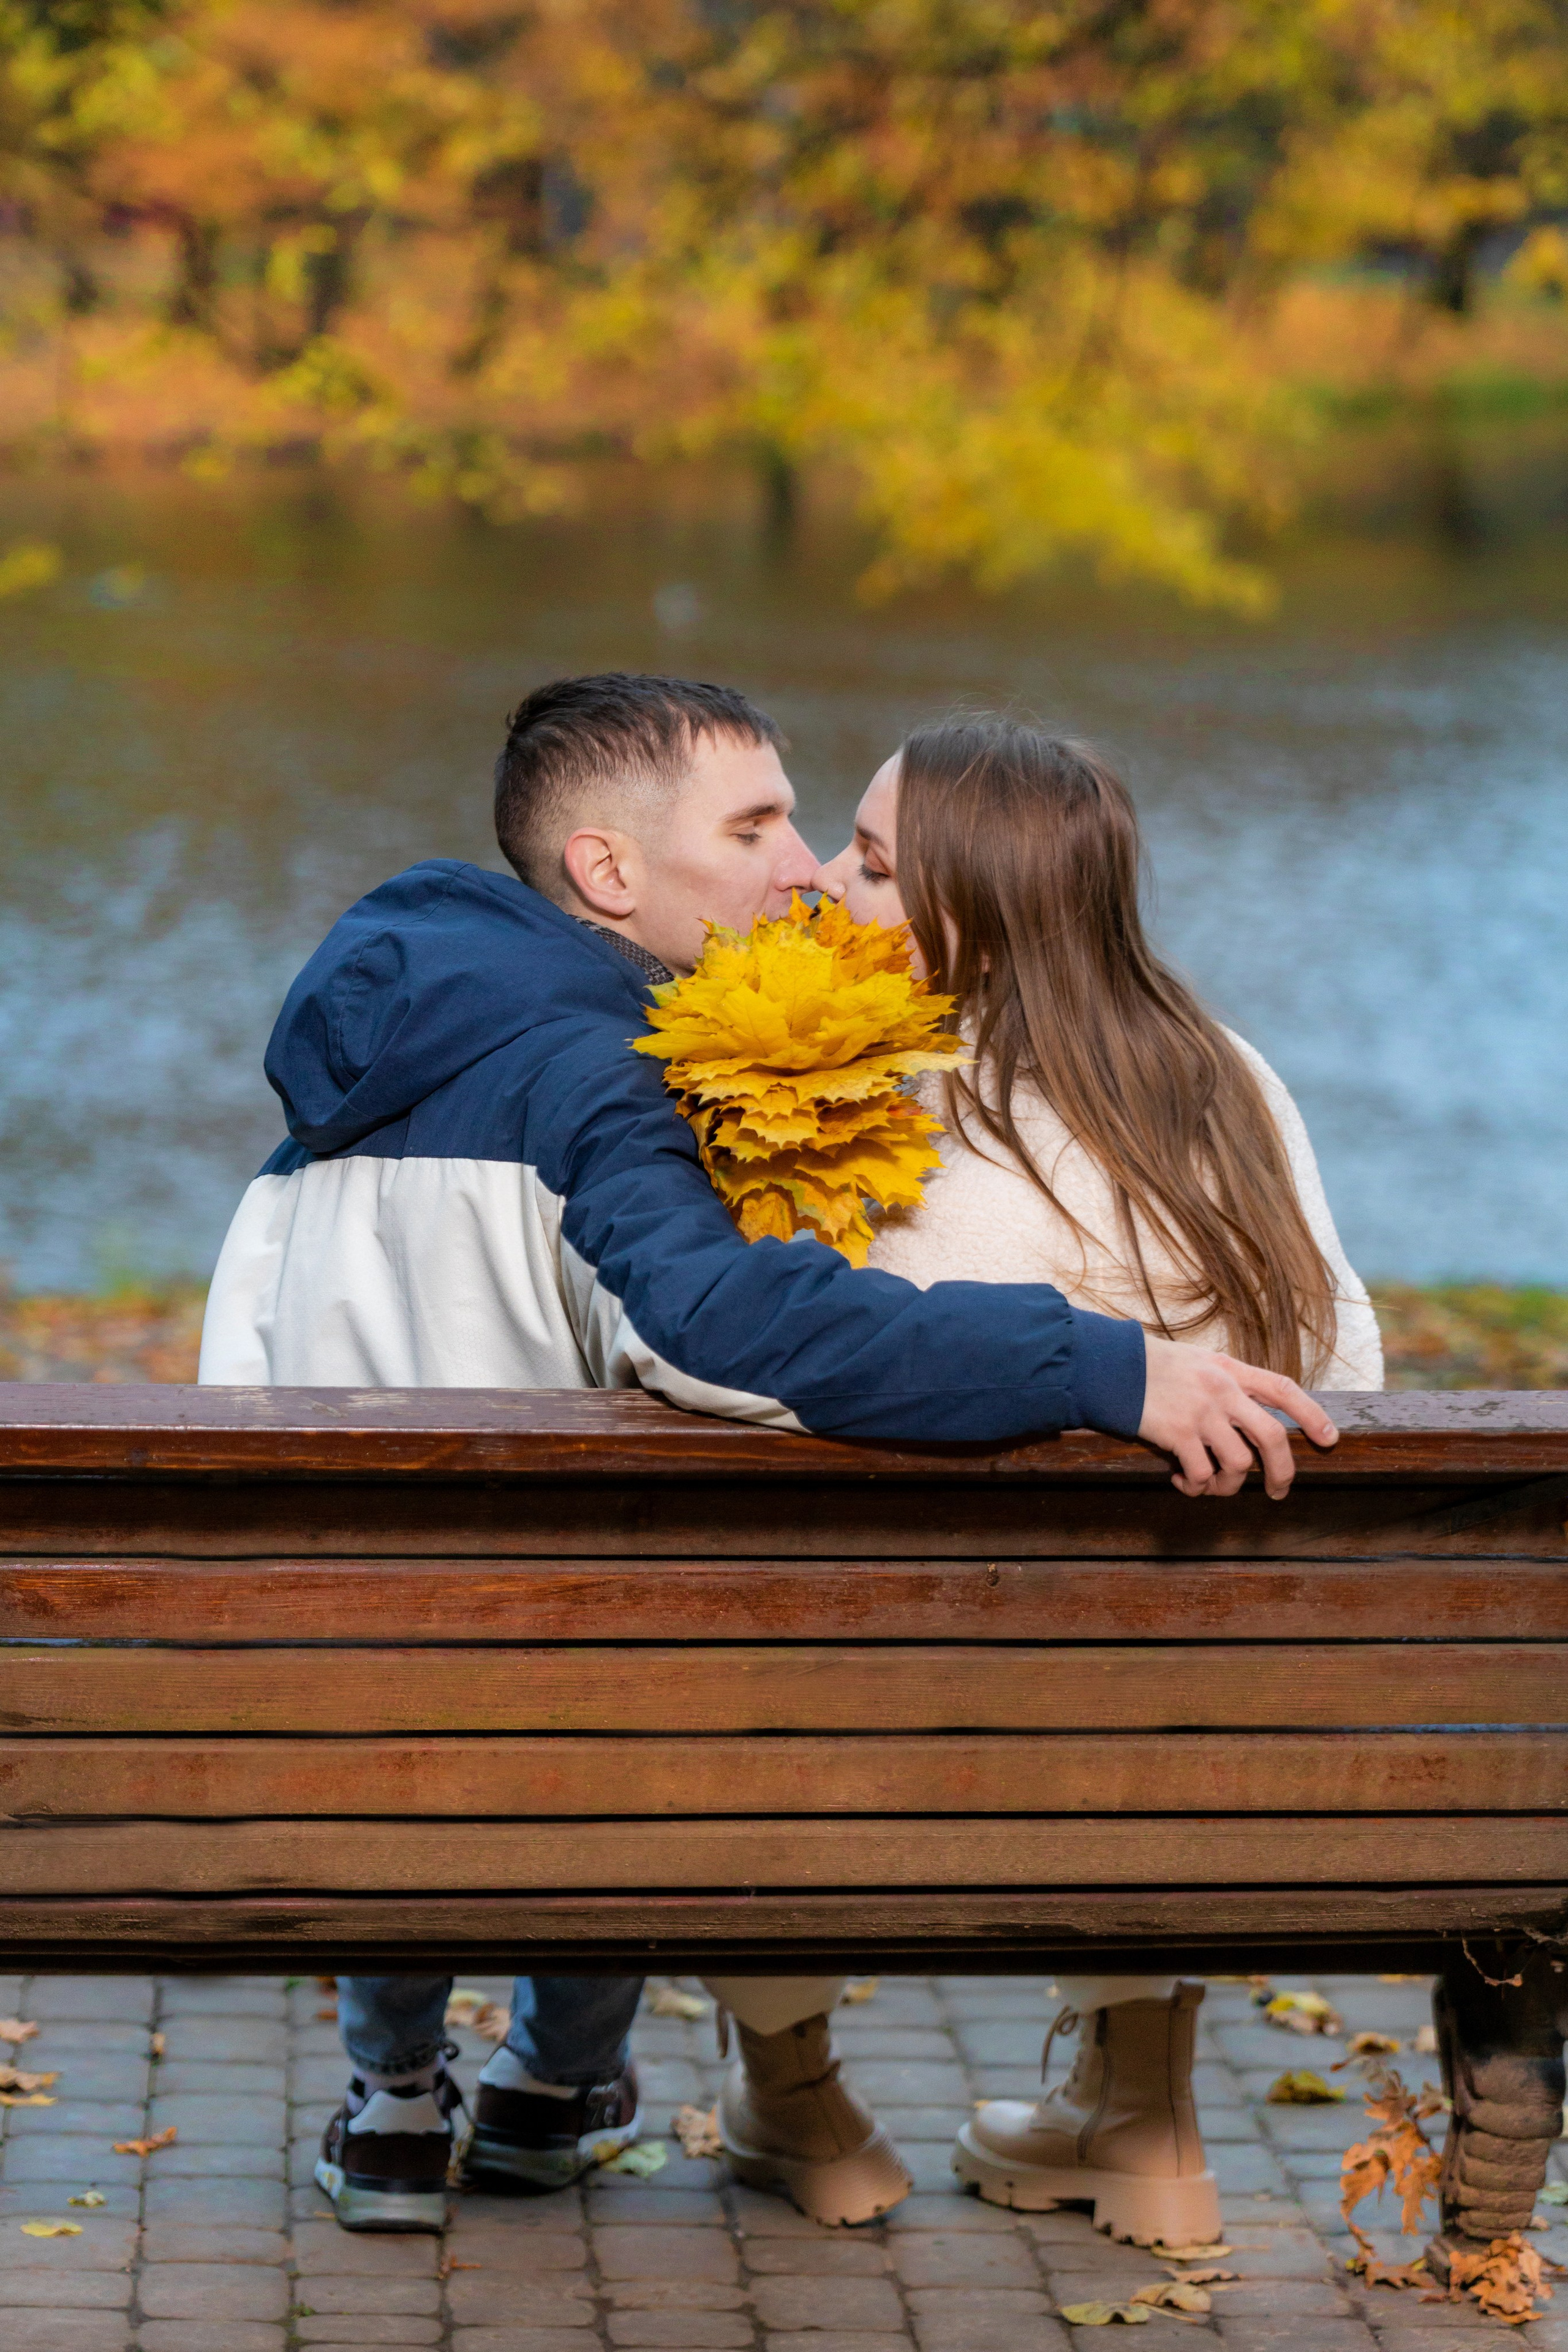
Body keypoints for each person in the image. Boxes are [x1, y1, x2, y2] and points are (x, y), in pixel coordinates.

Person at [199, 673, 1337, 2239]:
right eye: (759, 827)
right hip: (654, 1684)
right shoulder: (616, 1082)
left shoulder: (343, 1094)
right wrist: (1096, 1360)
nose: (801, 867)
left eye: (827, 838)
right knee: (636, 1663)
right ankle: (554, 2082)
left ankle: (406, 2095)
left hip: (329, 1661)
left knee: (487, 1663)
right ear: (609, 874)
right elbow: (726, 1331)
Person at [815, 714, 1381, 2246]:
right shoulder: (1221, 1075)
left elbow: (779, 1375)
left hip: (888, 1744)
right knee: (1161, 1637)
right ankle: (1139, 2111)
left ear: (972, 907)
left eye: (864, 863)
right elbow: (1346, 1367)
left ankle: (785, 2083)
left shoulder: (874, 1099)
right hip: (1204, 1740)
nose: (817, 883)